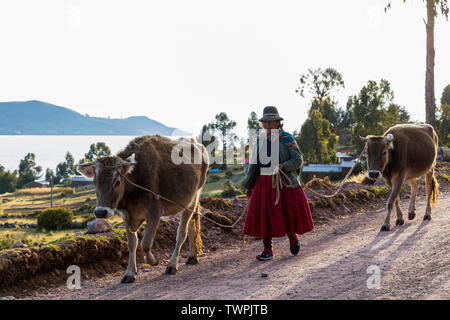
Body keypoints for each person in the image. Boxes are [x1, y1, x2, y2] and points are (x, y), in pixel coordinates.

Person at [241, 106, 314, 261]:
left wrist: (283, 166)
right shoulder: (260, 140)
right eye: (264, 122)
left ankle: (292, 238)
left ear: (277, 123)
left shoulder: (287, 138)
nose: (267, 125)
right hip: (264, 183)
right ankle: (267, 250)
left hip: (284, 183)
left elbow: (298, 159)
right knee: (265, 217)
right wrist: (249, 184)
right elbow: (254, 164)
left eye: (270, 122)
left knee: (286, 213)